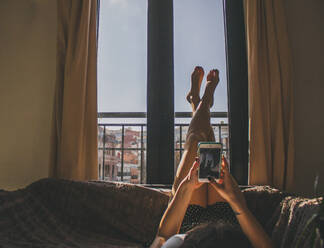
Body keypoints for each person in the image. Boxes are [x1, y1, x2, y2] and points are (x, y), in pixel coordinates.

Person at [150, 67, 273, 248]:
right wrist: (236, 202)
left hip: (186, 221)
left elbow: (161, 239)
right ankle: (200, 102)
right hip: (228, 221)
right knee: (208, 147)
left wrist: (186, 187)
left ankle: (201, 102)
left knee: (196, 141)